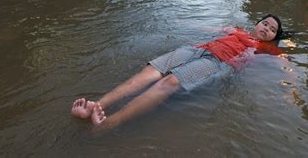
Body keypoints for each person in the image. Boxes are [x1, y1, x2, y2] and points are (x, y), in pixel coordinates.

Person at [71, 14, 284, 130]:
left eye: (272, 29)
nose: (266, 28)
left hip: (219, 62)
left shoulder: (266, 48)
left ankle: (109, 123)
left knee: (170, 82)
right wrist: (181, 21)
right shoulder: (235, 29)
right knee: (149, 73)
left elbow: (286, 63)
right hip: (197, 50)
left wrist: (292, 84)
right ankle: (97, 105)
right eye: (265, 23)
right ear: (256, 23)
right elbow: (210, 30)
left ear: (273, 37)